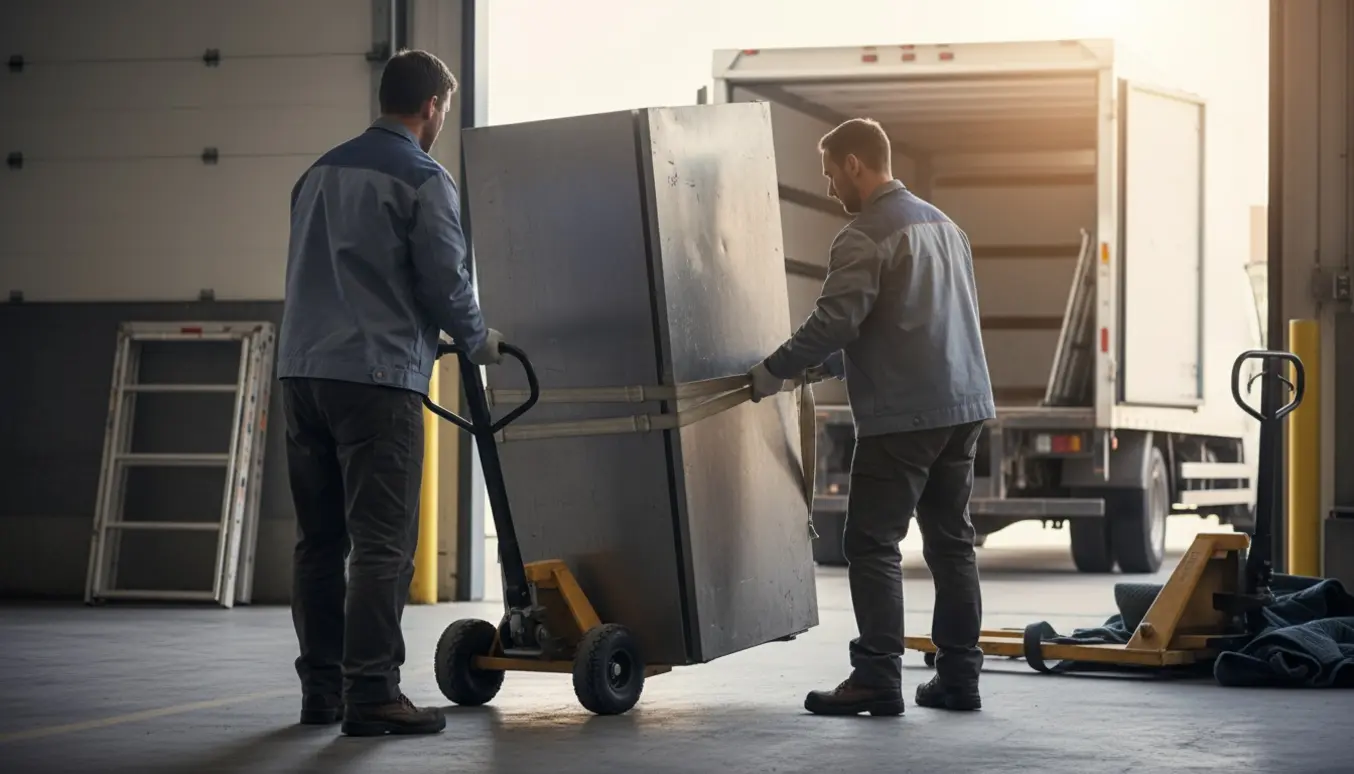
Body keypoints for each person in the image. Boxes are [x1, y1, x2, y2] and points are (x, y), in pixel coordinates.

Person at [276, 48, 504, 737]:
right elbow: (444, 279)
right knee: (381, 544)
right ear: (432, 106)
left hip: (300, 375)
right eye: (444, 111)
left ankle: (323, 691)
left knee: (319, 542)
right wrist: (478, 339)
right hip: (375, 383)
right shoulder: (423, 177)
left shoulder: (317, 172)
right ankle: (372, 692)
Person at [747, 117, 994, 717]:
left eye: (831, 174)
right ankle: (959, 679)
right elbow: (914, 315)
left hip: (905, 415)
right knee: (952, 545)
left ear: (855, 164)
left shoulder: (864, 234)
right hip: (963, 408)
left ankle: (877, 677)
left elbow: (836, 319)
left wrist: (774, 369)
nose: (831, 188)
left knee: (871, 542)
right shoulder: (945, 226)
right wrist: (833, 362)